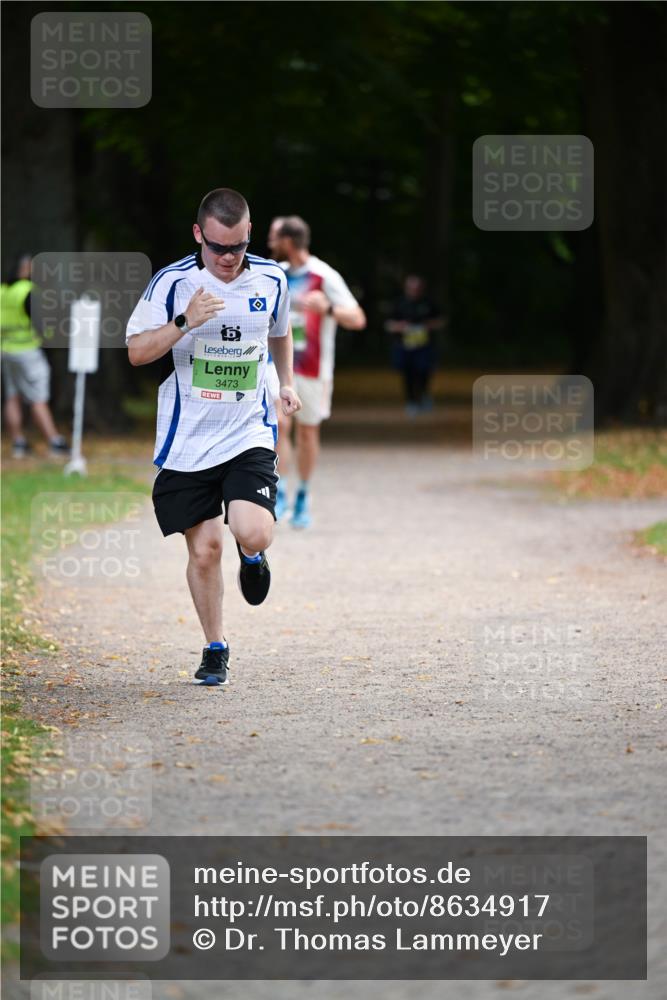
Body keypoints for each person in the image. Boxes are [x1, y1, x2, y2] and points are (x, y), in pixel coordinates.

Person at [126, 188, 301, 686]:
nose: (228, 259)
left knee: (253, 529)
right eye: (218, 247)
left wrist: (285, 382)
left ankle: (254, 556)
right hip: (189, 439)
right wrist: (185, 323)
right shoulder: (174, 283)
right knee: (204, 551)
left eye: (238, 247)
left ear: (249, 235)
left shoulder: (271, 277)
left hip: (248, 429)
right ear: (199, 234)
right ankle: (215, 647)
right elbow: (137, 351)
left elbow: (279, 330)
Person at [267, 215, 366, 527]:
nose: (269, 244)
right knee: (279, 425)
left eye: (274, 237)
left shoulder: (324, 276)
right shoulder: (276, 275)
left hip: (314, 369)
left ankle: (303, 495)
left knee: (307, 433)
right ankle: (280, 490)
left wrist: (329, 310)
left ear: (287, 241)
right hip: (280, 368)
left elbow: (358, 319)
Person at [1, 254, 69, 458]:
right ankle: (54, 441)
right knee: (38, 397)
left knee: (12, 396)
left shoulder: (3, 291)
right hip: (27, 350)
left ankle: (18, 443)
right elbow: (41, 323)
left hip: (6, 349)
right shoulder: (28, 291)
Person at [385, 274, 445, 416]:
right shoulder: (399, 303)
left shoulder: (429, 303)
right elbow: (388, 324)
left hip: (425, 346)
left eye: (417, 288)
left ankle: (424, 395)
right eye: (411, 288)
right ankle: (411, 401)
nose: (414, 291)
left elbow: (441, 320)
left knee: (424, 371)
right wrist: (400, 327)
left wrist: (428, 325)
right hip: (404, 346)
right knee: (408, 373)